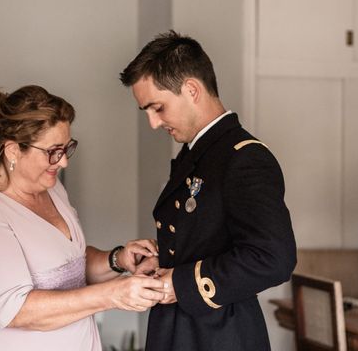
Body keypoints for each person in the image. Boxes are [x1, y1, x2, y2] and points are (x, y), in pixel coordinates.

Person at [120, 31, 297, 351]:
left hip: (220, 333)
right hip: (186, 327)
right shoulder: (198, 152)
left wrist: (180, 282)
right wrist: (166, 261)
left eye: (157, 108)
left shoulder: (244, 157)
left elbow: (273, 258)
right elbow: (209, 233)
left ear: (191, 89)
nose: (153, 123)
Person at [0, 85, 166, 351]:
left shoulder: (53, 190)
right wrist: (113, 295)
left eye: (67, 148)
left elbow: (69, 266)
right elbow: (18, 311)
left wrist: (118, 259)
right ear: (12, 150)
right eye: (53, 151)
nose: (63, 162)